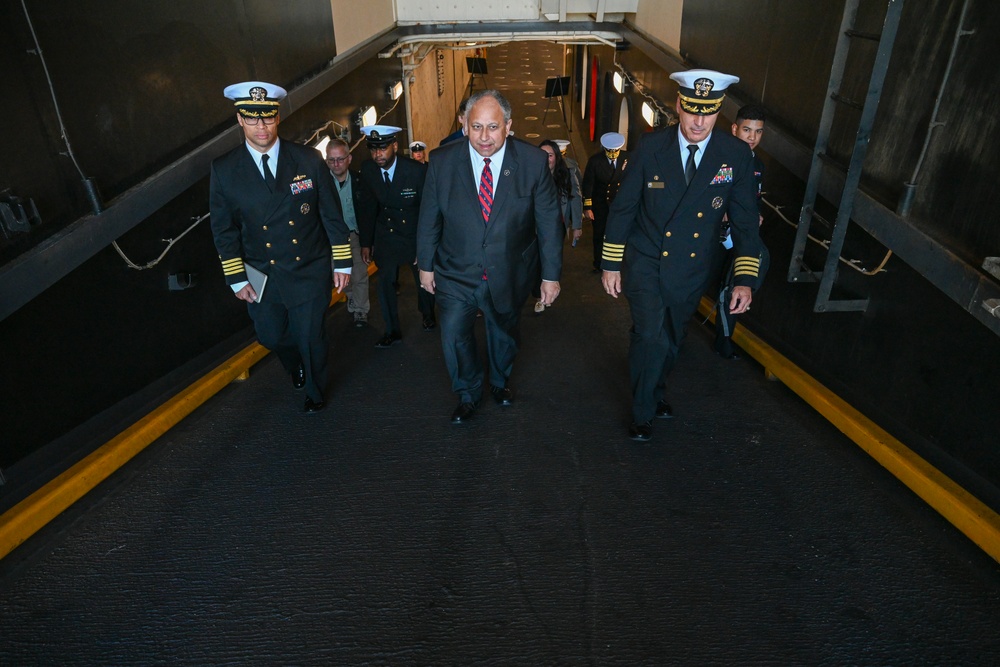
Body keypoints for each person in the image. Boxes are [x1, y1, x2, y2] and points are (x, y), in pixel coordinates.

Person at [601, 69, 761, 441]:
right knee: (649, 335)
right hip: (647, 259)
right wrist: (611, 263)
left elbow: (746, 222)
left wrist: (745, 279)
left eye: (708, 111)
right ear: (678, 106)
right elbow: (624, 208)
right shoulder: (651, 147)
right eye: (692, 110)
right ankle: (642, 412)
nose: (699, 121)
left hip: (691, 266)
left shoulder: (734, 155)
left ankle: (655, 391)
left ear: (719, 111)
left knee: (672, 338)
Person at [417, 89, 563, 423]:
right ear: (463, 125)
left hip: (510, 270)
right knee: (454, 335)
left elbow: (549, 224)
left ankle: (499, 380)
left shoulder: (532, 162)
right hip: (455, 271)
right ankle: (468, 393)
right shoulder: (441, 161)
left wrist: (551, 275)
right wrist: (425, 266)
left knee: (504, 334)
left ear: (509, 126)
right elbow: (429, 218)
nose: (485, 137)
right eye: (477, 126)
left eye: (493, 127)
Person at [210, 81, 352, 413]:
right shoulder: (225, 169)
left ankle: (316, 392)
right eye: (253, 118)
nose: (262, 126)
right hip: (261, 271)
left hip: (308, 266)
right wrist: (235, 276)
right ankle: (295, 364)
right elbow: (224, 228)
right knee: (270, 337)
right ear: (240, 120)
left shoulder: (307, 159)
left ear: (277, 118)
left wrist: (342, 262)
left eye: (268, 118)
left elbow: (331, 214)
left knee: (311, 336)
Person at [357, 124, 435, 348]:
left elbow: (427, 210)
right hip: (387, 236)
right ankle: (392, 330)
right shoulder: (369, 170)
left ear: (394, 146)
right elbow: (368, 207)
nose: (377, 154)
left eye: (382, 148)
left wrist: (426, 245)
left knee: (424, 281)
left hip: (413, 235)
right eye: (372, 149)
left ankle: (428, 313)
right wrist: (366, 243)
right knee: (384, 284)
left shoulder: (416, 171)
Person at [714, 104, 769, 359]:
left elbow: (751, 200)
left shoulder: (757, 165)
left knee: (743, 274)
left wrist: (754, 215)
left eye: (758, 132)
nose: (752, 137)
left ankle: (724, 337)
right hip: (709, 232)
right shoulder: (717, 155)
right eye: (747, 130)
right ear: (734, 128)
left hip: (736, 235)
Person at [325, 137, 372, 328]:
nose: (336, 164)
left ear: (349, 158)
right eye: (331, 160)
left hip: (354, 236)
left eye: (340, 159)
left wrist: (367, 242)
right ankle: (353, 297)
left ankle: (361, 310)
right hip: (332, 240)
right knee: (342, 276)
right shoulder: (322, 185)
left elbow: (368, 213)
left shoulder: (360, 181)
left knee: (359, 273)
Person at [535, 139, 582, 314]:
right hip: (535, 225)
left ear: (556, 157)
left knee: (551, 255)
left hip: (557, 224)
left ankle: (545, 291)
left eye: (550, 155)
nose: (546, 159)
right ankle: (537, 288)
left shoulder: (567, 173)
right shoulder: (532, 173)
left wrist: (577, 225)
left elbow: (575, 197)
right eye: (542, 155)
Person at [582, 132, 628, 273]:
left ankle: (618, 263)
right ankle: (599, 262)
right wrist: (588, 207)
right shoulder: (595, 161)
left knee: (619, 233)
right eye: (610, 151)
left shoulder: (628, 158)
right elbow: (588, 184)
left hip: (619, 205)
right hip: (600, 205)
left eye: (616, 151)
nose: (613, 153)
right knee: (600, 234)